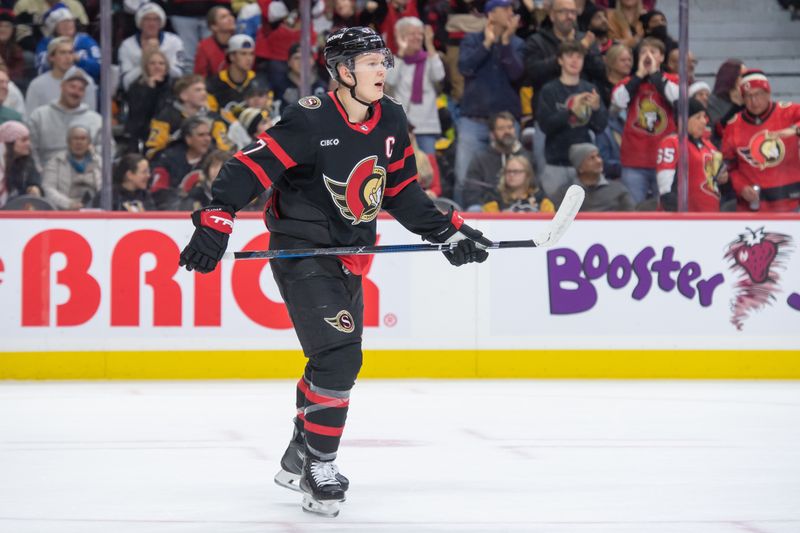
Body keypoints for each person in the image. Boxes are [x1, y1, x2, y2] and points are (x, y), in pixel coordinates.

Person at [177, 26, 491, 518]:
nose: (381, 71)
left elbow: (402, 191)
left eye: (382, 62)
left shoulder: (391, 118)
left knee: (329, 359)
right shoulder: (310, 119)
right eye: (370, 63)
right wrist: (218, 218)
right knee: (341, 357)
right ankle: (320, 465)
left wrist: (447, 231)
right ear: (343, 72)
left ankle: (300, 449)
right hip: (302, 254)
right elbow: (248, 168)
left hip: (351, 255)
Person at [455, 0, 524, 204]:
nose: (511, 13)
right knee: (464, 176)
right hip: (474, 120)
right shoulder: (472, 40)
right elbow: (465, 67)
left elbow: (517, 74)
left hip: (506, 122)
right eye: (506, 9)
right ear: (491, 14)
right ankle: (458, 223)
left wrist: (504, 44)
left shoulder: (517, 43)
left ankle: (509, 217)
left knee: (513, 174)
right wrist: (486, 44)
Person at [536, 41, 608, 201]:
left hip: (585, 167)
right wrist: (570, 111)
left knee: (584, 214)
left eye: (579, 57)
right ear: (560, 60)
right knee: (554, 213)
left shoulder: (590, 89)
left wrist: (596, 109)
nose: (575, 61)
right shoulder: (549, 90)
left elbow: (600, 126)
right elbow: (546, 125)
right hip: (556, 163)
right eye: (570, 56)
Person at [611, 37, 678, 205]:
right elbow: (619, 101)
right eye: (643, 52)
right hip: (634, 160)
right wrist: (639, 75)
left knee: (664, 209)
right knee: (632, 210)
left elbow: (676, 98)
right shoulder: (627, 83)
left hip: (664, 160)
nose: (647, 56)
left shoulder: (673, 80)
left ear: (662, 57)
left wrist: (655, 74)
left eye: (653, 52)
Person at [721, 70, 800, 212]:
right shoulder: (733, 125)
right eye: (748, 96)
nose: (754, 101)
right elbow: (730, 167)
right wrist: (741, 187)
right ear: (742, 99)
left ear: (768, 93)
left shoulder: (789, 112)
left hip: (792, 203)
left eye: (758, 94)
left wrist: (795, 129)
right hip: (753, 207)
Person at [384, 17, 445, 154]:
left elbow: (439, 75)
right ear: (400, 36)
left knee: (427, 171)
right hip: (401, 128)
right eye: (412, 34)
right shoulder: (395, 60)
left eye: (420, 34)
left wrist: (430, 45)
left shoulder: (429, 58)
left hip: (426, 127)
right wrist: (401, 51)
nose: (417, 37)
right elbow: (389, 81)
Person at [657, 97, 726, 212]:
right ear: (683, 120)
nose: (704, 121)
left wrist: (723, 176)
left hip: (711, 215)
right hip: (687, 218)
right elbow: (665, 188)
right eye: (698, 117)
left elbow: (721, 178)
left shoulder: (709, 146)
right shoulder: (671, 143)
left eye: (704, 116)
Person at [28, 66, 102, 168]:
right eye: (72, 86)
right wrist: (38, 174)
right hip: (46, 176)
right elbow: (31, 149)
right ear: (62, 86)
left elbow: (107, 151)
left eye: (81, 89)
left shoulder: (96, 120)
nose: (76, 92)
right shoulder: (39, 116)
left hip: (85, 177)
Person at [145, 74, 230, 159]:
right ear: (183, 95)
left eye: (204, 90)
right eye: (198, 90)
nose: (204, 94)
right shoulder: (165, 117)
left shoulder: (214, 118)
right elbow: (152, 151)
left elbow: (224, 148)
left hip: (206, 164)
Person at [463, 111, 532, 210]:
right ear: (492, 134)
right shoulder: (480, 159)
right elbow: (472, 192)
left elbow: (535, 187)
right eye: (501, 128)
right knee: (474, 209)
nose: (507, 132)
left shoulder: (526, 156)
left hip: (522, 207)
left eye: (510, 127)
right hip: (488, 209)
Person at [150, 115, 214, 209]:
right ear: (188, 139)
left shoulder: (215, 160)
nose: (207, 139)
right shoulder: (167, 159)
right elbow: (158, 191)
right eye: (201, 135)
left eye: (208, 134)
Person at [119, 2, 186, 92]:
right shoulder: (127, 45)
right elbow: (126, 82)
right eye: (147, 19)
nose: (151, 23)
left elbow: (179, 75)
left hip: (168, 90)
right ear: (140, 22)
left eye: (156, 20)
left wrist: (159, 57)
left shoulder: (174, 41)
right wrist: (146, 59)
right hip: (138, 92)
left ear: (161, 22)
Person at [25, 37, 97, 115]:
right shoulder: (37, 85)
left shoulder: (86, 82)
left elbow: (90, 115)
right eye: (63, 53)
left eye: (70, 53)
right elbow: (30, 117)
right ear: (51, 57)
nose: (68, 57)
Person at [41, 124, 101, 209]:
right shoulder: (55, 162)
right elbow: (48, 188)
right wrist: (69, 204)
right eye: (75, 139)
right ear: (68, 142)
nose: (79, 142)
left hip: (95, 210)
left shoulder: (100, 162)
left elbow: (107, 189)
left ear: (89, 142)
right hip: (64, 211)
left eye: (83, 139)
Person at [35, 3, 100, 82]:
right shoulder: (45, 43)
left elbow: (100, 69)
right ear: (54, 28)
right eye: (63, 23)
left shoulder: (86, 40)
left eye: (70, 21)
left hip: (86, 86)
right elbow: (41, 70)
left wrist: (78, 59)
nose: (68, 25)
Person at [124, 49, 173, 151]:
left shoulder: (173, 87)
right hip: (142, 131)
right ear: (146, 67)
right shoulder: (136, 87)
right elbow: (138, 113)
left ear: (166, 67)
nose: (157, 66)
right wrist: (150, 90)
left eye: (161, 63)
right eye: (152, 63)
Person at [567, 142, 634, 211]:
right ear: (580, 168)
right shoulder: (565, 193)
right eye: (592, 158)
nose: (599, 161)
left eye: (598, 156)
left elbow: (631, 217)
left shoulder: (618, 189)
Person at [481, 155, 554, 212]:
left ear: (527, 174)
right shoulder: (494, 197)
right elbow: (490, 223)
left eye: (516, 171)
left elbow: (551, 222)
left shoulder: (540, 198)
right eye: (508, 171)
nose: (511, 175)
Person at [206, 34, 257, 114]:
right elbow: (211, 114)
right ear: (231, 56)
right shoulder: (214, 84)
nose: (249, 58)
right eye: (243, 54)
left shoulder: (258, 81)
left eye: (251, 54)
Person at [276, 42, 328, 114]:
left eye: (306, 57)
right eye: (297, 58)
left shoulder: (322, 86)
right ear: (289, 62)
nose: (302, 62)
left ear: (313, 61)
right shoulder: (279, 87)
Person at [0, 120, 42, 207]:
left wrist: (35, 188)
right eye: (24, 140)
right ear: (10, 143)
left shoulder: (28, 162)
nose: (28, 144)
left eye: (28, 139)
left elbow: (34, 182)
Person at [708, 58, 746, 148]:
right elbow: (716, 133)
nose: (747, 80)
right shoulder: (711, 103)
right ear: (730, 78)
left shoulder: (748, 103)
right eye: (743, 76)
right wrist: (737, 106)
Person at [194, 5, 237, 78]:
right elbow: (200, 75)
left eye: (230, 15)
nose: (230, 18)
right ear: (214, 27)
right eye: (223, 17)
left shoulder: (241, 40)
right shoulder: (204, 46)